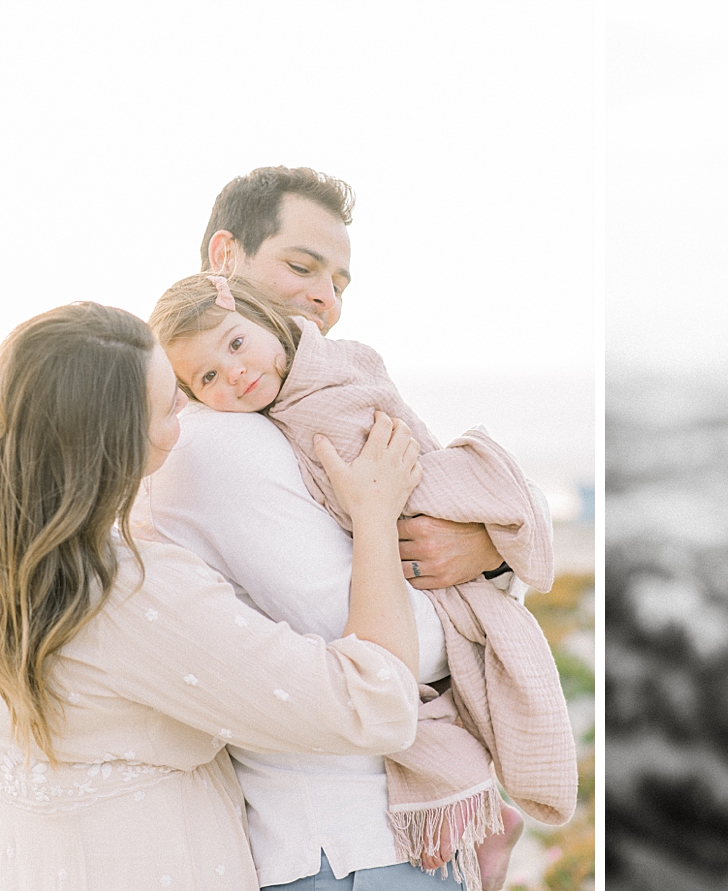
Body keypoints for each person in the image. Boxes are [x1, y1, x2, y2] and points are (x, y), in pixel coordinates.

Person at [137, 166, 557, 890]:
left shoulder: (311, 404)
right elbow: (386, 649)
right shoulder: (224, 443)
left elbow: (438, 480)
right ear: (224, 259)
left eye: (339, 281)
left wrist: (482, 547)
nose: (323, 297)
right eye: (301, 266)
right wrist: (454, 569)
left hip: (383, 836)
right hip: (352, 840)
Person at [0, 301, 429, 890]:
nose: (189, 407)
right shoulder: (131, 595)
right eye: (171, 401)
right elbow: (374, 704)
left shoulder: (25, 571)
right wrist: (376, 514)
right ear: (122, 445)